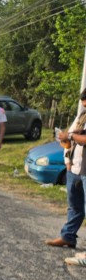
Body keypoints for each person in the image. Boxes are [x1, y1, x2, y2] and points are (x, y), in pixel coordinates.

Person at [45, 90, 86, 249]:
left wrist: (71, 136)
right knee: (74, 206)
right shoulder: (81, 116)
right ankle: (68, 237)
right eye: (83, 103)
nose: (84, 106)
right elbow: (69, 136)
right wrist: (67, 160)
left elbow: (74, 136)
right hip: (74, 167)